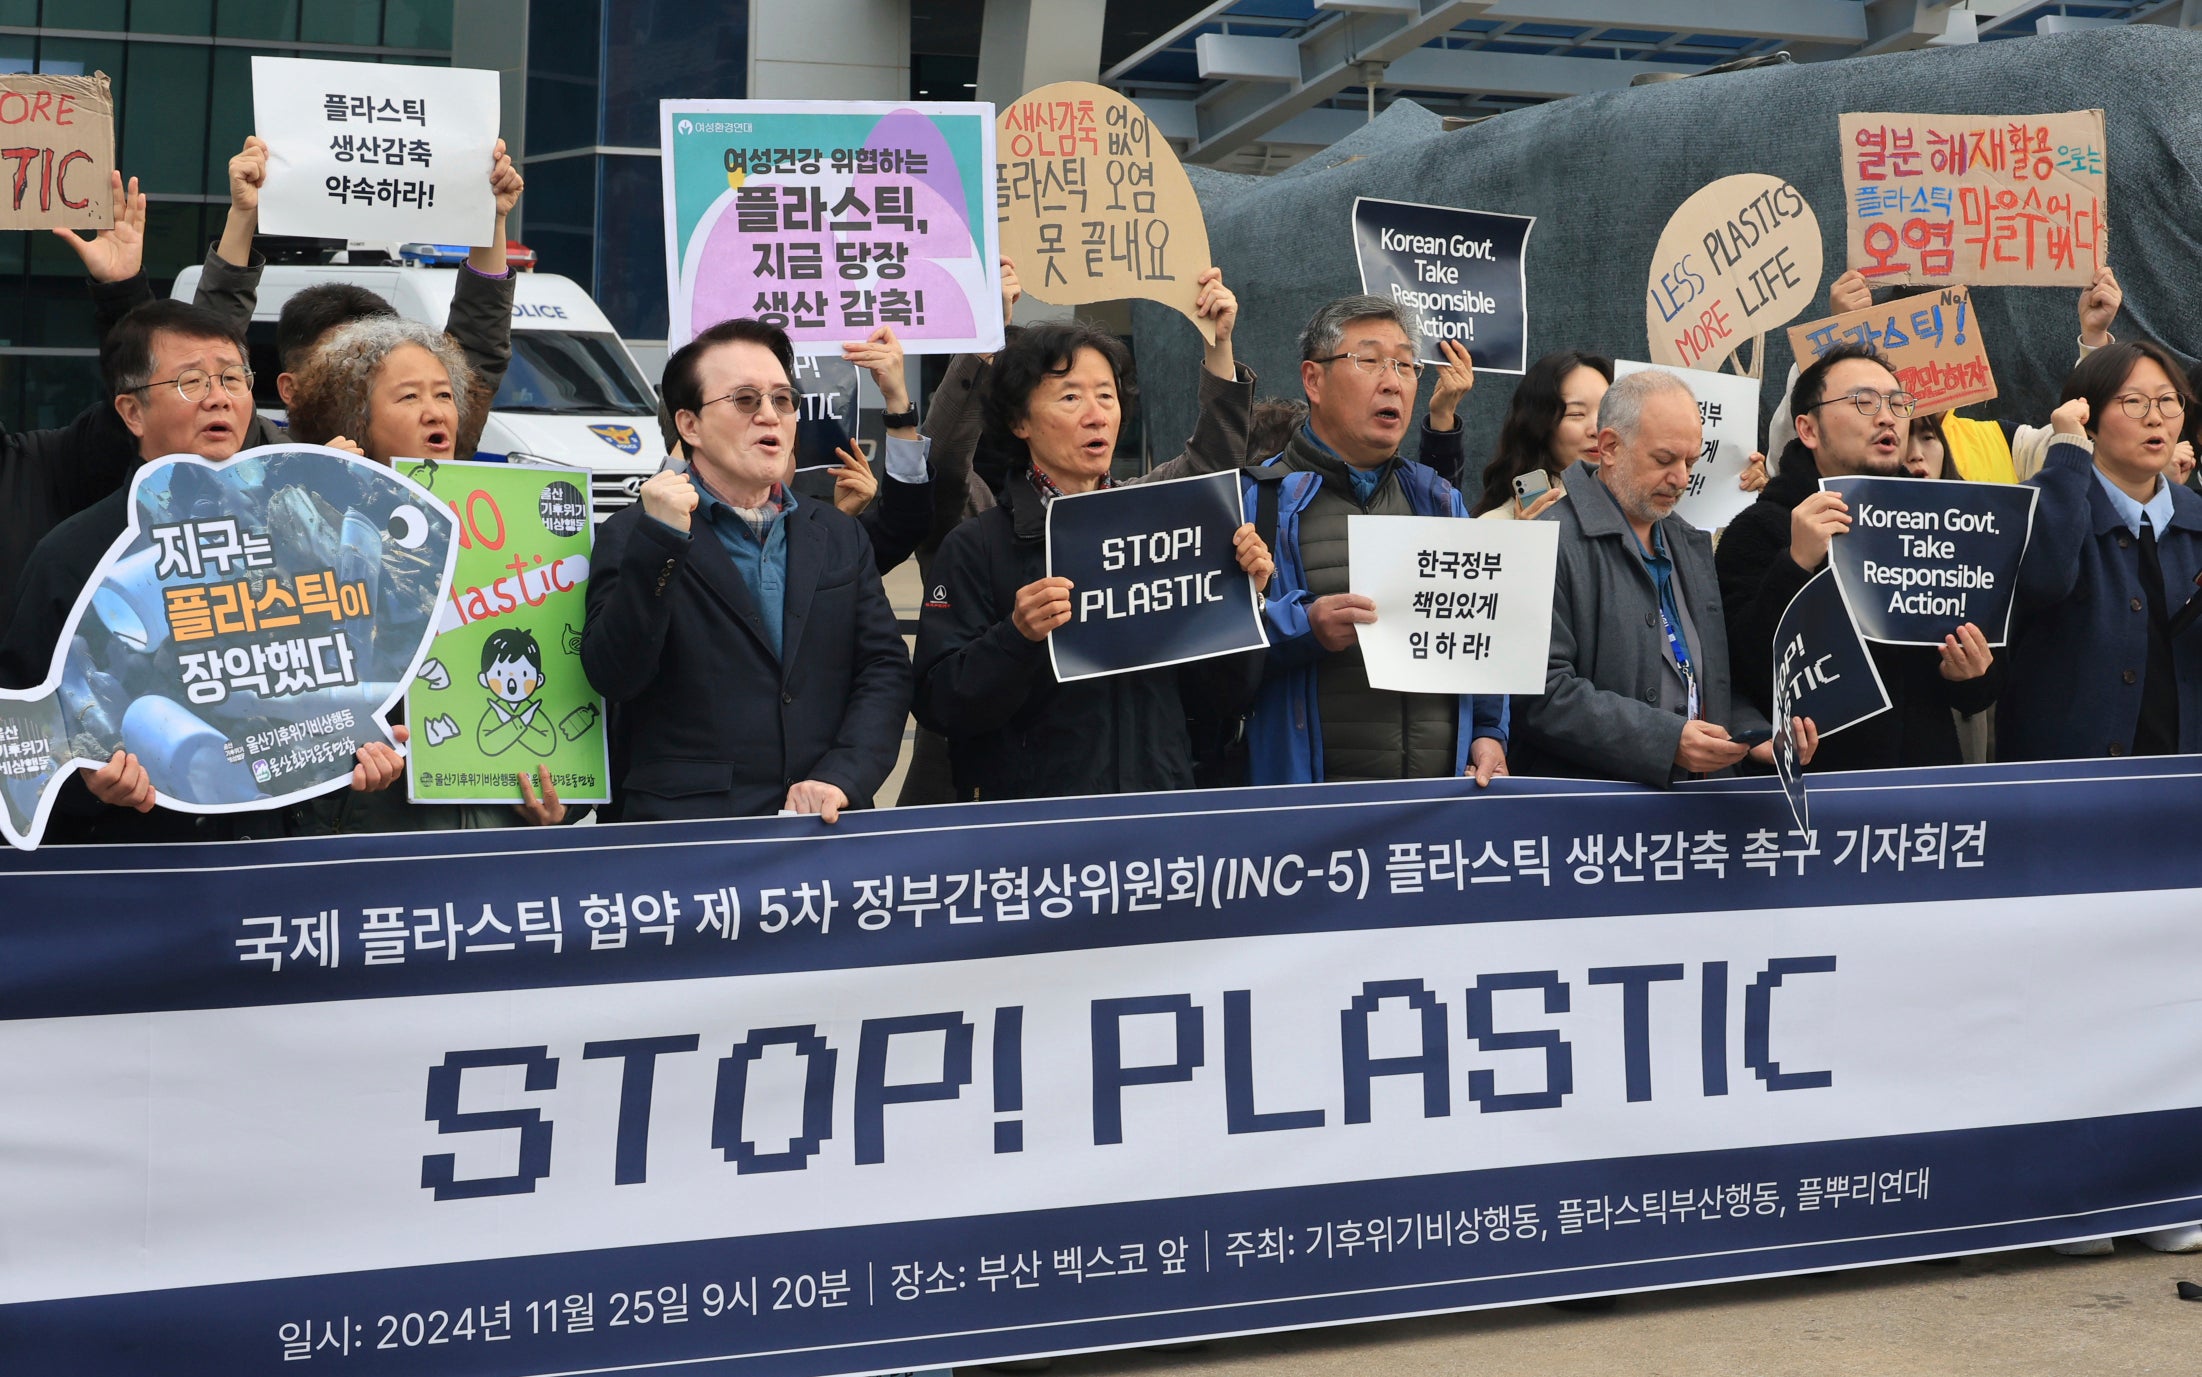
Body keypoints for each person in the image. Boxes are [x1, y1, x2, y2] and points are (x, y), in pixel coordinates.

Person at [0, 301, 408, 843]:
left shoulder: (301, 539)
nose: (219, 396)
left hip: (274, 867)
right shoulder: (77, 556)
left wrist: (361, 756)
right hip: (140, 869)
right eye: (191, 381)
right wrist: (85, 783)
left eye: (233, 378)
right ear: (132, 412)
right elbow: (21, 740)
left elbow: (341, 688)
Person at [913, 321, 1273, 800]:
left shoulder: (1159, 535)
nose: (1096, 415)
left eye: (1106, 396)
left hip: (1156, 817)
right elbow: (940, 702)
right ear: (1020, 422)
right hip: (1035, 834)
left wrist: (1241, 599)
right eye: (1070, 398)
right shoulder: (979, 544)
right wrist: (1016, 636)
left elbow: (1222, 697)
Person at [582, 317, 911, 822]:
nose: (770, 416)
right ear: (689, 424)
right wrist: (661, 542)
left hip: (821, 828)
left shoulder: (836, 532)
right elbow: (615, 675)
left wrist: (842, 776)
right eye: (745, 400)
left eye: (783, 400)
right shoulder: (635, 533)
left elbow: (883, 669)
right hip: (688, 840)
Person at [1238, 294, 1509, 787]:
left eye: (1406, 365)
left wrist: (1489, 731)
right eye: (1369, 361)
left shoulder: (1439, 501)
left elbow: (1477, 632)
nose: (1393, 382)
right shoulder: (1259, 501)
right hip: (1313, 819)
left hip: (1432, 812)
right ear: (1313, 380)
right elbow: (1215, 658)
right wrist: (1305, 628)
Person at [1513, 368, 1816, 786]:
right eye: (1664, 460)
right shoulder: (1547, 540)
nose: (1682, 479)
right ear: (1609, 447)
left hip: (1692, 810)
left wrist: (1756, 733)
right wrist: (1666, 739)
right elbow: (1540, 694)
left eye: (1691, 461)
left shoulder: (1689, 543)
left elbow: (1713, 679)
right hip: (1594, 814)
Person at [1715, 346, 1996, 772]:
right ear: (1808, 430)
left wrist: (1971, 672)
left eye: (1898, 403)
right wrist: (1794, 564)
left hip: (1922, 799)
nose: (1887, 418)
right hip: (1812, 799)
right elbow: (1739, 674)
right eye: (1863, 402)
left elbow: (1978, 693)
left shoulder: (1939, 527)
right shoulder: (1760, 530)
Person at [2002, 341, 2202, 767]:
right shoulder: (2043, 504)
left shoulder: (2195, 519)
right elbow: (2043, 579)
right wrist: (2068, 454)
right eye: (2133, 402)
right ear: (2087, 419)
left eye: (2169, 401)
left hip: (2184, 791)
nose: (2155, 417)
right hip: (2068, 791)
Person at [1471, 350, 1614, 519]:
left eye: (1607, 412)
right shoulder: (1496, 526)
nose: (1597, 430)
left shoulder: (1639, 510)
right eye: (1576, 414)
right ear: (1539, 425)